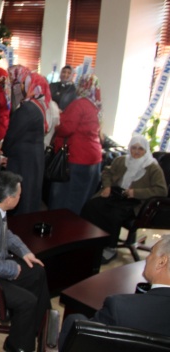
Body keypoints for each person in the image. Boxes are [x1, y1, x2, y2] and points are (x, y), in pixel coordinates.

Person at [0, 171, 51, 352]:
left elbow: (7, 235)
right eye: (19, 195)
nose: (20, 197)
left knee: (37, 271)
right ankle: (17, 346)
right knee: (28, 301)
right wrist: (12, 268)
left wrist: (25, 252)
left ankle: (40, 329)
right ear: (9, 199)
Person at [58, 235, 170, 350]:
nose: (147, 258)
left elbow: (87, 343)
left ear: (162, 262)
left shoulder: (119, 307)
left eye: (151, 252)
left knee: (74, 320)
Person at [81, 135, 167, 263]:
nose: (136, 151)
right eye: (133, 148)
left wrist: (136, 192)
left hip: (136, 201)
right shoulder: (121, 160)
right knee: (92, 205)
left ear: (146, 150)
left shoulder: (152, 167)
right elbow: (107, 172)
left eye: (140, 149)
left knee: (114, 214)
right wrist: (107, 186)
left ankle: (110, 247)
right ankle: (91, 240)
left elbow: (161, 190)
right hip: (116, 194)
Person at [48, 74, 102, 215]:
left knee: (65, 198)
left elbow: (67, 128)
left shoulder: (79, 104)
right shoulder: (96, 106)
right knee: (82, 198)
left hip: (76, 157)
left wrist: (58, 122)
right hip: (94, 158)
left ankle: (61, 225)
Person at [1, 66, 50, 215]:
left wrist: (4, 151)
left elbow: (13, 134)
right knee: (30, 195)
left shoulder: (27, 108)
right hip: (33, 158)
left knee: (22, 197)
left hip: (23, 161)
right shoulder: (38, 105)